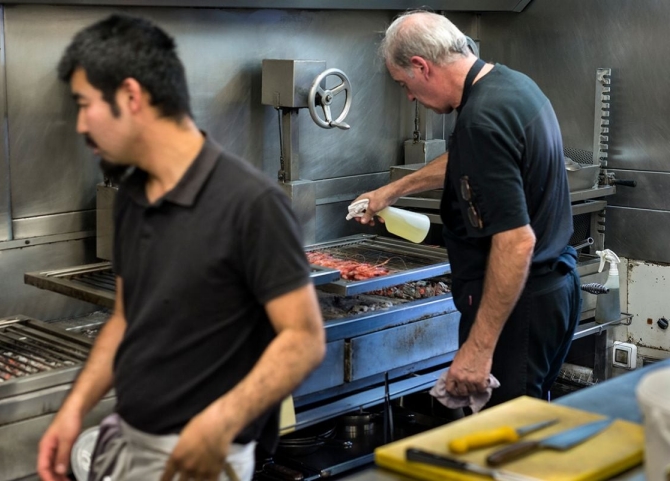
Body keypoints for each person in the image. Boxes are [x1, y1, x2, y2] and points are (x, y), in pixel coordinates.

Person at [37, 14, 326, 481]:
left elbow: (304, 341)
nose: (79, 124)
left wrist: (220, 422)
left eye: (86, 104)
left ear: (131, 97)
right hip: (132, 441)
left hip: (203, 457)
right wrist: (75, 407)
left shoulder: (251, 203)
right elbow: (127, 318)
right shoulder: (132, 197)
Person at [353, 11, 581, 409]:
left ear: (421, 66)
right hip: (555, 291)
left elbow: (515, 243)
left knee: (504, 446)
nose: (408, 96)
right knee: (524, 429)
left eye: (404, 83)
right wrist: (393, 190)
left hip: (519, 306)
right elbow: (468, 157)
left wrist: (478, 350)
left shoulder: (480, 120)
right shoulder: (510, 86)